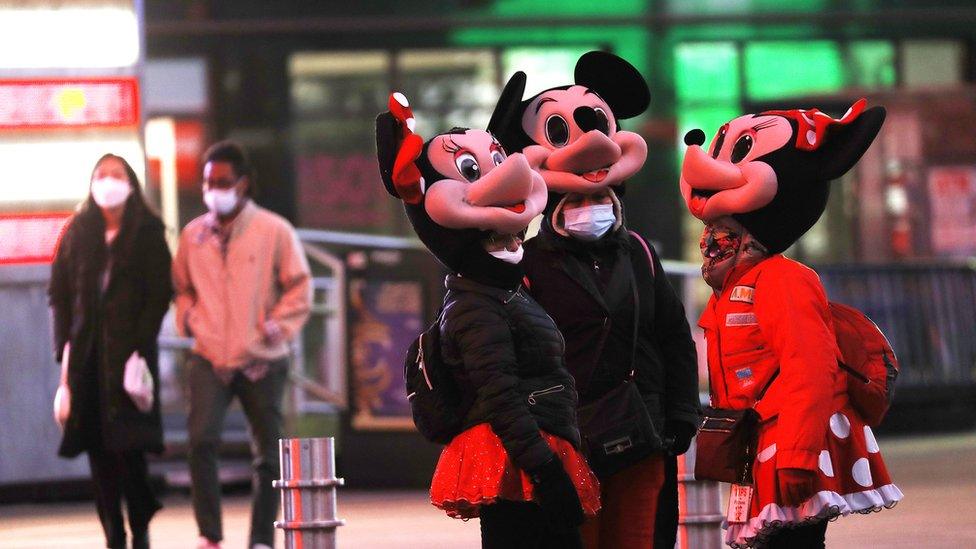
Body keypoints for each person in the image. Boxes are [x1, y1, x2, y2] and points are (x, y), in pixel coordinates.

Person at [490, 51, 701, 548]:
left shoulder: (641, 254)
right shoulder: (528, 263)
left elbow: (673, 337)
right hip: (567, 440)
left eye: (599, 201)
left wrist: (681, 416)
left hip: (643, 434)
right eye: (578, 202)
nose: (590, 208)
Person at [376, 92, 600, 548]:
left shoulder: (500, 294)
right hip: (515, 462)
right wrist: (544, 471)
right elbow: (502, 396)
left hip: (528, 456)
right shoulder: (477, 306)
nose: (512, 241)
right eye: (500, 239)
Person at [680, 99, 902, 547]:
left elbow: (811, 368)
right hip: (759, 449)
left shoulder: (783, 279)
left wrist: (798, 455)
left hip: (789, 451)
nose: (711, 240)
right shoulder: (735, 284)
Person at [172, 141, 312, 549]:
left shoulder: (274, 230)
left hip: (262, 359)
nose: (214, 188)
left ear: (243, 183)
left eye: (223, 181)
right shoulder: (193, 235)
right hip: (208, 356)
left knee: (268, 455)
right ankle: (209, 535)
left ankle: (260, 539)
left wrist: (279, 327)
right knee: (200, 442)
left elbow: (299, 287)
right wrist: (189, 321)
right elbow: (181, 288)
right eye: (208, 181)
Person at [50, 153, 173, 549]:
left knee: (131, 452)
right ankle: (113, 536)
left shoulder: (149, 231)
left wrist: (141, 344)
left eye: (116, 174)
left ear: (131, 182)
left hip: (130, 360)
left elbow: (159, 294)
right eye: (101, 175)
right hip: (86, 359)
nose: (107, 181)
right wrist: (64, 355)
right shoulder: (76, 232)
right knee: (99, 455)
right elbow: (60, 295)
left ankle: (140, 528)